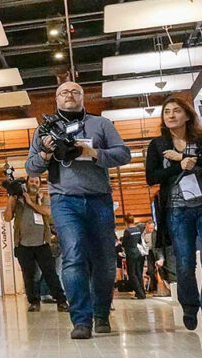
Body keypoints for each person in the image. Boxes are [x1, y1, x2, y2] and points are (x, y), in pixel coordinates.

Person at [25, 82, 130, 340]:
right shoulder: (43, 131)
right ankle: (81, 321)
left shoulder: (101, 124)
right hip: (64, 200)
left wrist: (93, 152)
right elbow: (31, 168)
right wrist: (47, 155)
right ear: (56, 99)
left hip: (99, 198)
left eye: (75, 92)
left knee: (105, 260)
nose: (69, 96)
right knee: (72, 257)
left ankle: (101, 313)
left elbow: (124, 154)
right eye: (63, 92)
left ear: (83, 97)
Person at [145, 96, 202, 338]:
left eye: (176, 111)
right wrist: (178, 165)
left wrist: (192, 160)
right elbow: (152, 177)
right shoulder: (158, 144)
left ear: (187, 115)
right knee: (184, 263)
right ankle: (190, 306)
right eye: (167, 111)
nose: (171, 115)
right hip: (176, 209)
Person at [3, 175, 67, 313]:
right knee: (29, 275)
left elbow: (48, 212)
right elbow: (7, 217)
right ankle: (34, 302)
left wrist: (31, 203)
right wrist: (11, 197)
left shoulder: (44, 199)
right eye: (31, 181)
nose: (34, 183)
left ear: (39, 184)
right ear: (26, 183)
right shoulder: (17, 201)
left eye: (36, 182)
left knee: (51, 274)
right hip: (23, 245)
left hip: (42, 243)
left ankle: (61, 301)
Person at [120, 217, 147, 300]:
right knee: (139, 273)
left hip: (131, 254)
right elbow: (139, 241)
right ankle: (142, 292)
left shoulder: (127, 231)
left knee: (132, 274)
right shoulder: (138, 230)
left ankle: (139, 293)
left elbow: (124, 244)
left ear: (126, 222)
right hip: (139, 253)